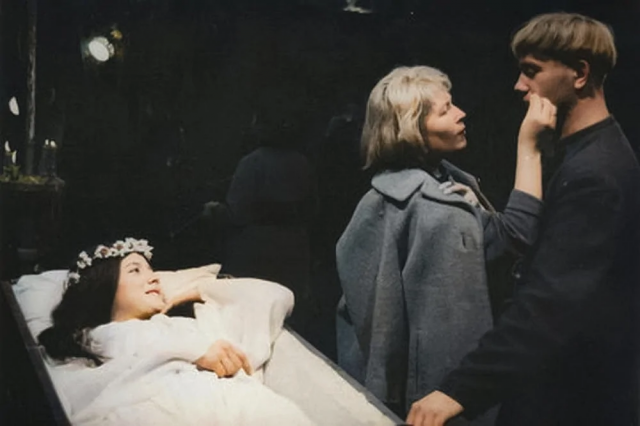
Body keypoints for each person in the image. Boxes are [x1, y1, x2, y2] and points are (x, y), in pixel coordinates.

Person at [406, 12, 640, 426]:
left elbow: (549, 305)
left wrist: (458, 390)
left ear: (580, 73)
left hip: (572, 397)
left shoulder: (596, 174)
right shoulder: (586, 152)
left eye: (531, 71)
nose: (519, 85)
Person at [335, 65, 554, 421]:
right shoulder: (432, 207)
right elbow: (515, 237)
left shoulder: (424, 188)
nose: (460, 113)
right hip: (436, 392)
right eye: (445, 110)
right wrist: (529, 145)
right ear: (413, 130)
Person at [38, 237, 314, 425]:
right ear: (103, 286)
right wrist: (196, 352)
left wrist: (194, 290)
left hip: (235, 407)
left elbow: (275, 295)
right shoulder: (100, 336)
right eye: (135, 270)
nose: (154, 278)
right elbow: (132, 348)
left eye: (152, 270)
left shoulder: (188, 323)